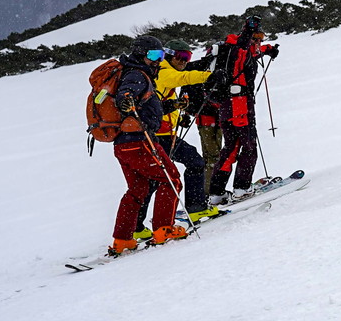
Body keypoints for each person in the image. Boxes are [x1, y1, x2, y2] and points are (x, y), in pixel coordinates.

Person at [108, 35, 188, 256]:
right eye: (154, 55)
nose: (158, 60)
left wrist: (171, 105)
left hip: (123, 144)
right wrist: (126, 99)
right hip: (139, 140)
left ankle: (122, 240)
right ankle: (164, 230)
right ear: (141, 54)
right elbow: (127, 94)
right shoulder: (136, 74)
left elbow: (146, 104)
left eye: (161, 56)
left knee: (138, 189)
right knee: (170, 179)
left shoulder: (134, 73)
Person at [131, 39, 218, 239]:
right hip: (159, 136)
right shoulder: (163, 69)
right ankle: (195, 208)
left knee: (153, 180)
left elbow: (162, 101)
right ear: (169, 55)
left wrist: (178, 116)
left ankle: (136, 227)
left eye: (188, 57)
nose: (184, 61)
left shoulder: (160, 72)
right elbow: (184, 78)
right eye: (180, 56)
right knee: (193, 163)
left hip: (162, 133)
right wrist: (210, 76)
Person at [205, 17, 280, 205]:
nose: (259, 42)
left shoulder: (234, 52)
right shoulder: (240, 49)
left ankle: (216, 193)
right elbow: (243, 48)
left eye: (261, 38)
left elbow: (251, 52)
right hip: (240, 106)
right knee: (248, 147)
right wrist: (248, 29)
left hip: (226, 106)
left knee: (231, 148)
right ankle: (242, 188)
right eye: (257, 38)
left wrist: (268, 49)